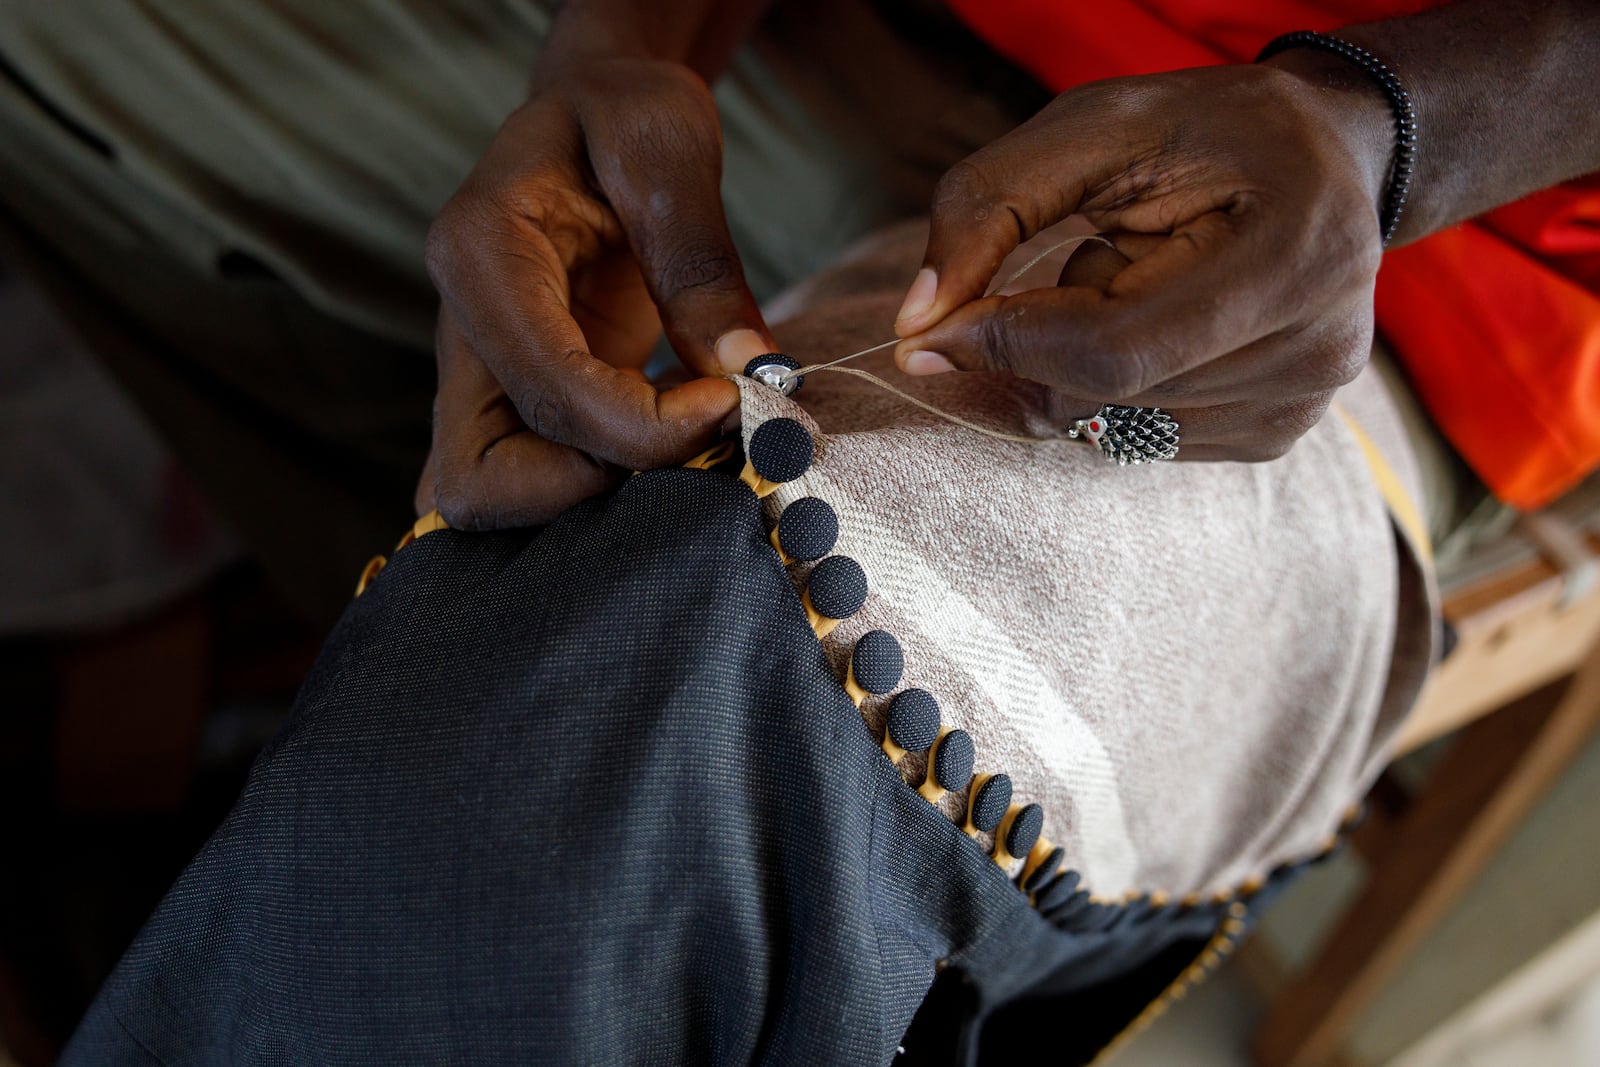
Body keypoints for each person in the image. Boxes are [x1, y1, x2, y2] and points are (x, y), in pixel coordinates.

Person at [0, 0, 1593, 1062]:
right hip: (842, 38)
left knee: (647, 702)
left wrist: (1393, 128)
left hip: (1408, 244)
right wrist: (621, 48)